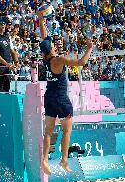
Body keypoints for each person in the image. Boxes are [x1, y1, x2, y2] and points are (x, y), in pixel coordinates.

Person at [37, 10, 93, 175]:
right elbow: (82, 62)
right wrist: (89, 48)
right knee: (67, 131)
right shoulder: (59, 59)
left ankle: (45, 160)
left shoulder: (45, 59)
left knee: (48, 132)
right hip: (61, 98)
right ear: (52, 49)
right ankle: (63, 160)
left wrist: (41, 19)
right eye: (53, 44)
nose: (54, 44)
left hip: (49, 97)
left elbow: (44, 36)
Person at [0, 18, 20, 92]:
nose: (3, 26)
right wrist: (6, 64)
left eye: (4, 24)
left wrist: (16, 62)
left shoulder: (7, 37)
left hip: (7, 68)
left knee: (6, 89)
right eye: (1, 24)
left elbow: (13, 51)